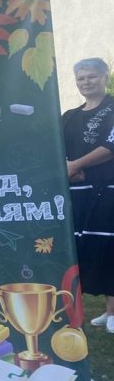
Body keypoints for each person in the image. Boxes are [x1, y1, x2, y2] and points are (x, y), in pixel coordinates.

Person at [63, 58, 114, 333]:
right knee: (84, 248)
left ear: (105, 76)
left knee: (109, 247)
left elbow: (111, 146)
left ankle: (113, 312)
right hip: (77, 192)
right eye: (81, 78)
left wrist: (75, 165)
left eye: (92, 76)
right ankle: (87, 311)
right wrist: (66, 168)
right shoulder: (69, 116)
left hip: (108, 189)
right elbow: (55, 146)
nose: (86, 82)